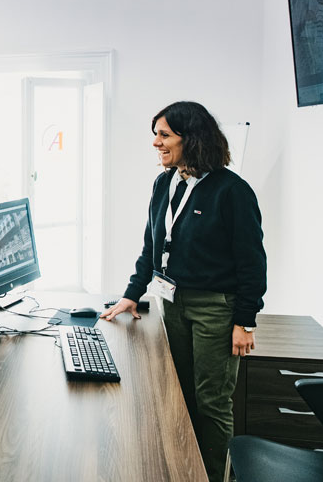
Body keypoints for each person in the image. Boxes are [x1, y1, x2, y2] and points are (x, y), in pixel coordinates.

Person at [100, 102, 266, 482]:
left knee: (211, 402)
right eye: (155, 134)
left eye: (164, 135)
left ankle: (214, 476)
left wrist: (245, 322)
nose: (156, 143)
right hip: (172, 304)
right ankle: (184, 471)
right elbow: (152, 247)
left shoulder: (232, 191)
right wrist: (132, 293)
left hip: (214, 310)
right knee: (180, 393)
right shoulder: (164, 183)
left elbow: (252, 263)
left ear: (190, 139)